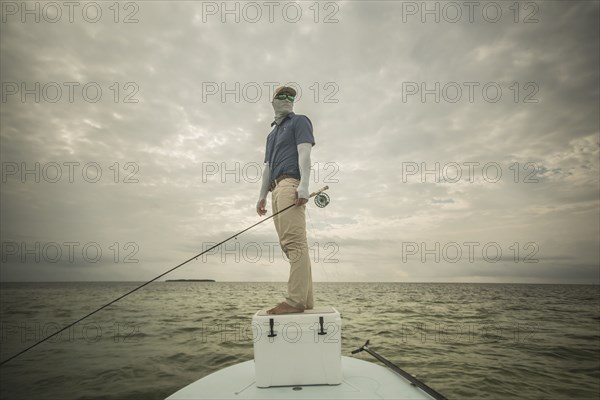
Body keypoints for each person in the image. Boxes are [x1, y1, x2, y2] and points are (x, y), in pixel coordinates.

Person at [256, 86, 315, 315]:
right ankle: (306, 300)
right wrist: (262, 196)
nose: (287, 99)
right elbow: (268, 167)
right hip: (275, 190)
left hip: (291, 184)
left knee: (295, 243)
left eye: (291, 96)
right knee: (288, 245)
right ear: (273, 101)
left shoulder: (300, 121)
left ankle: (295, 301)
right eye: (282, 96)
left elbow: (305, 153)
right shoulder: (271, 135)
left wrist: (304, 185)